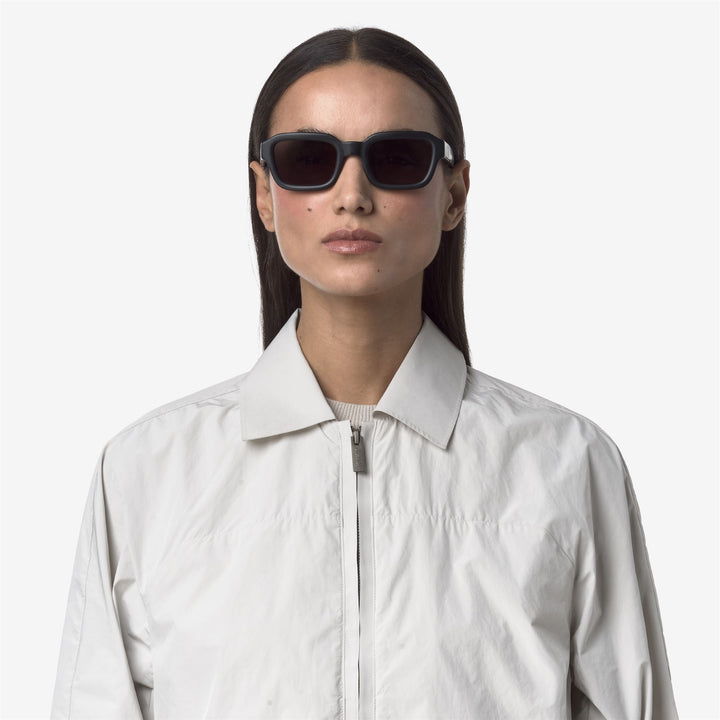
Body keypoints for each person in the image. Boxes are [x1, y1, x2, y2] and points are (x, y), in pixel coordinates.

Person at [51, 26, 678, 720]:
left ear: (454, 193)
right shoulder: (147, 472)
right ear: (264, 194)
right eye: (308, 159)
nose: (352, 194)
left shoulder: (566, 464)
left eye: (397, 158)